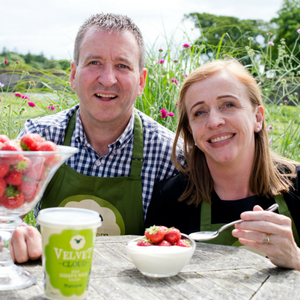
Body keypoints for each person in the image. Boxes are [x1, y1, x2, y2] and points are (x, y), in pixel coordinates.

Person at [10, 13, 183, 263]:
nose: (108, 79)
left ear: (141, 81)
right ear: (73, 74)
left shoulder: (170, 154)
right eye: (94, 63)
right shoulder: (40, 139)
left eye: (122, 66)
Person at [145, 59, 300, 270]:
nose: (214, 121)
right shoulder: (170, 197)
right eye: (200, 112)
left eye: (228, 105)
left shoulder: (297, 184)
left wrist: (295, 257)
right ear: (191, 131)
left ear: (258, 118)